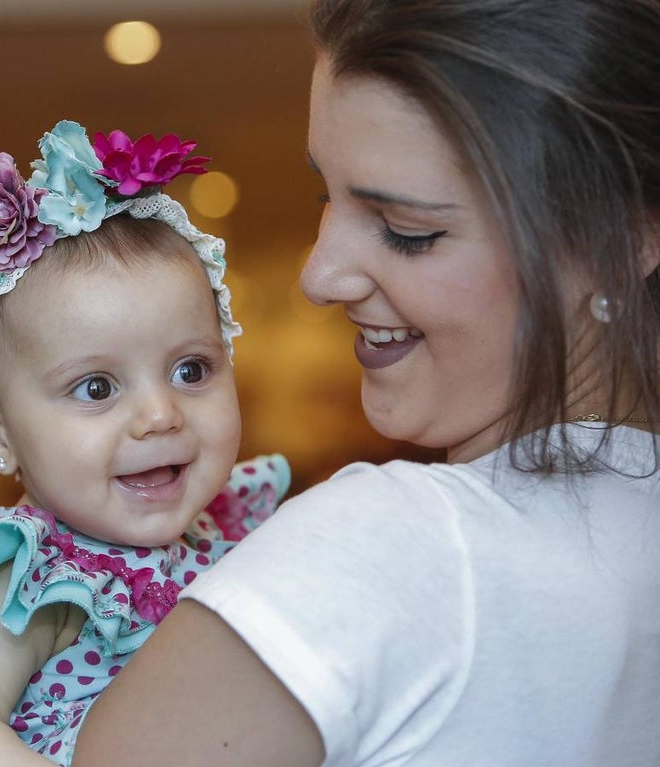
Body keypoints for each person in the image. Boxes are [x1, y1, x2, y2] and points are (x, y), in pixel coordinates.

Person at [69, 1, 660, 765]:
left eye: (408, 231)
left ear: (629, 233)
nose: (320, 276)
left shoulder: (390, 548)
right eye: (328, 198)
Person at [0, 119, 290, 766]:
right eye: (97, 387)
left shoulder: (236, 539)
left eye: (190, 370)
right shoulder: (34, 581)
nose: (160, 414)